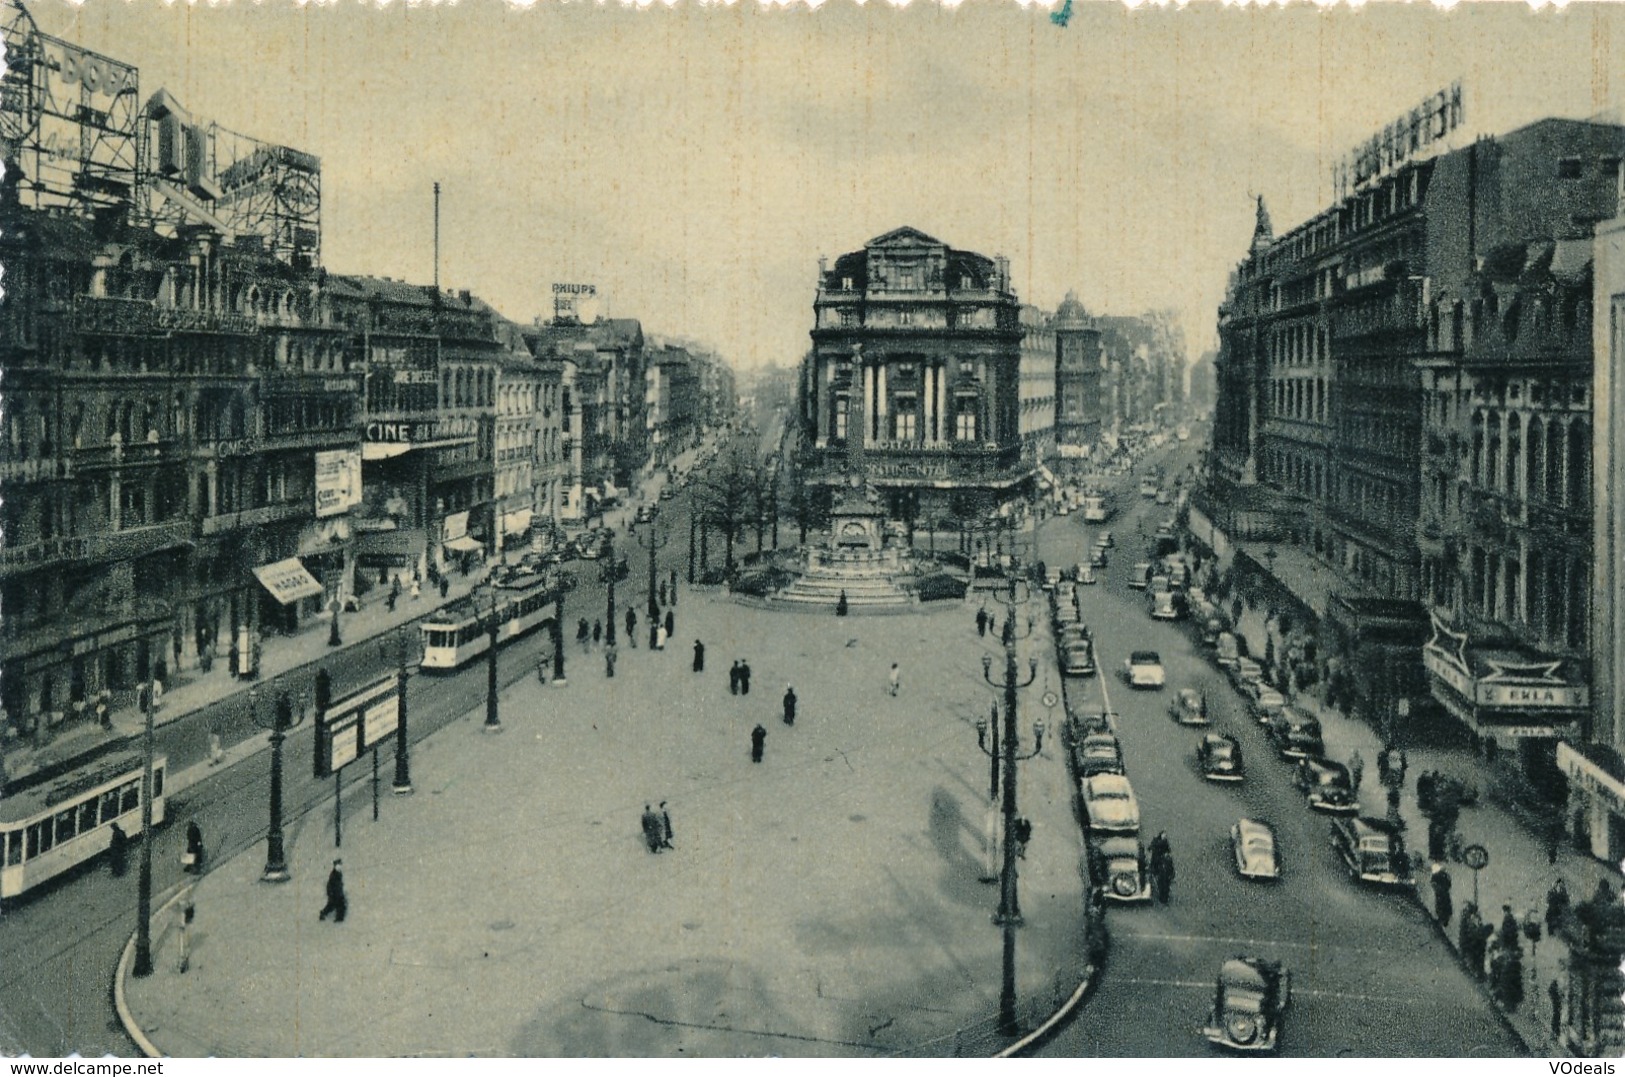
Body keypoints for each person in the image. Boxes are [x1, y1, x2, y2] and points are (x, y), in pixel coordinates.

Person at [1149, 832, 1175, 904]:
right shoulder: (1157, 842)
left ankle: (1163, 897)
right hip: (1159, 863)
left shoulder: (1159, 844)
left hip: (1163, 873)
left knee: (1164, 885)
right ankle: (1163, 897)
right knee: (1162, 884)